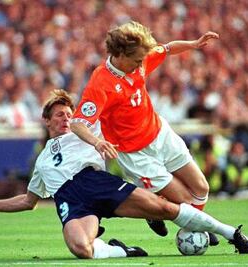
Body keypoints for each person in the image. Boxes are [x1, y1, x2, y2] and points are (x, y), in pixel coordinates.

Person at [0, 89, 248, 259]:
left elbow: (118, 116)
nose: (67, 119)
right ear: (47, 120)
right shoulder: (40, 162)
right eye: (60, 115)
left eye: (69, 114)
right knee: (81, 249)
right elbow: (28, 201)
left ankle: (230, 233)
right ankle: (122, 251)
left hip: (96, 183)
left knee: (166, 207)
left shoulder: (87, 130)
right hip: (72, 202)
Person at [70, 21, 220, 241]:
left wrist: (194, 44)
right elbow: (77, 123)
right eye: (137, 61)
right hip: (135, 154)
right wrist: (97, 141)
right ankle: (194, 228)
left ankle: (193, 227)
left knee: (201, 188)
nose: (142, 64)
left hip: (160, 134)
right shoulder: (100, 83)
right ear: (120, 54)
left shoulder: (139, 58)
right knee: (184, 200)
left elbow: (167, 48)